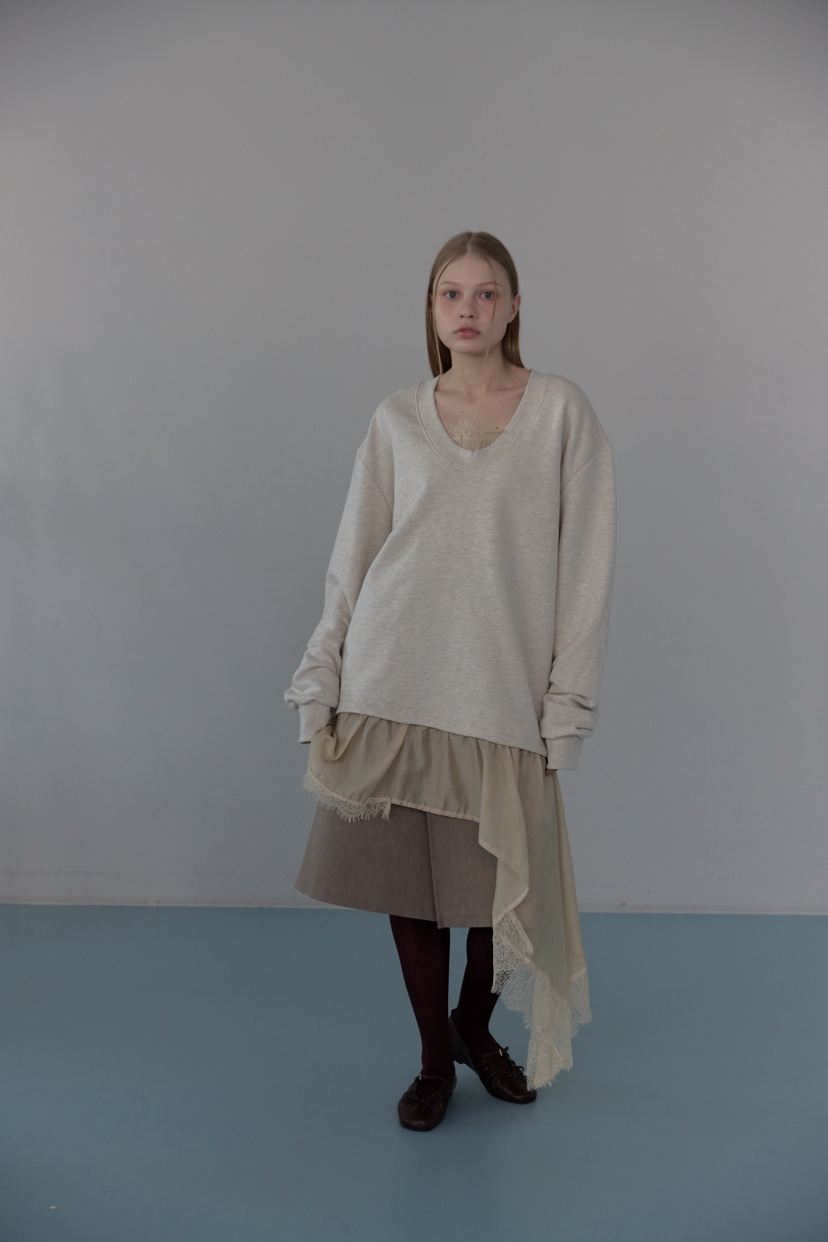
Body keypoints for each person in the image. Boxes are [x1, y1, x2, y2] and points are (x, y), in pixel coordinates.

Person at [285, 231, 616, 1132]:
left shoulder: (561, 413)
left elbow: (586, 571)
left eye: (486, 292)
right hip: (392, 681)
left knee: (497, 892)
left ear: (514, 306)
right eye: (449, 293)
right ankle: (435, 1059)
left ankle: (474, 1024)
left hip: (501, 691)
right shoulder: (396, 419)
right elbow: (353, 557)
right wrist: (323, 674)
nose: (467, 309)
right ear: (431, 310)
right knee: (414, 892)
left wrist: (567, 708)